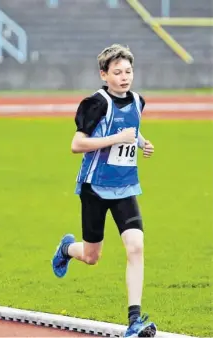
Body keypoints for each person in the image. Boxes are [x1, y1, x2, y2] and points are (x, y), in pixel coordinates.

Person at [51, 44, 157, 338]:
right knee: (91, 256)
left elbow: (130, 129)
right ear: (104, 74)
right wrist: (115, 139)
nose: (125, 77)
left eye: (129, 71)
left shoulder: (138, 101)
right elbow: (77, 145)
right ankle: (66, 249)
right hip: (94, 187)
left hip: (125, 186)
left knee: (136, 247)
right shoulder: (95, 104)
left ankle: (134, 320)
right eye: (118, 72)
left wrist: (140, 142)